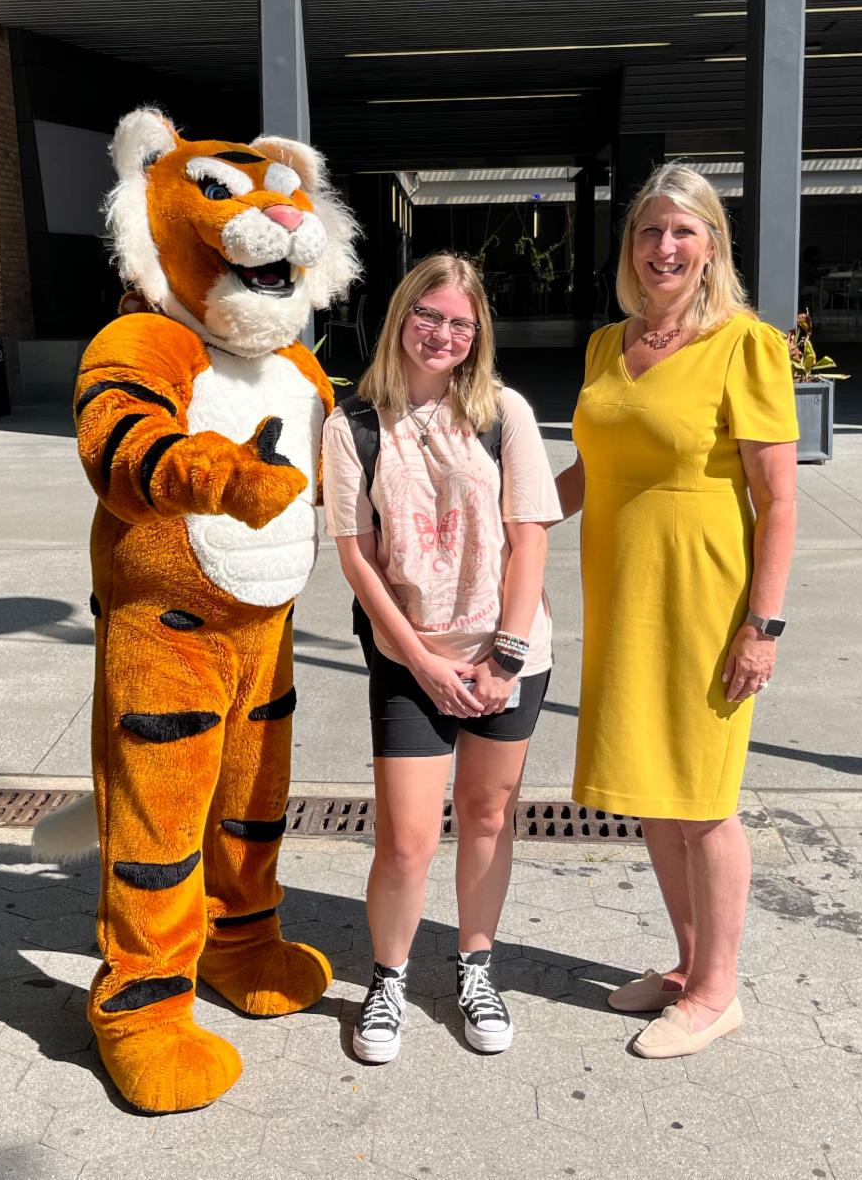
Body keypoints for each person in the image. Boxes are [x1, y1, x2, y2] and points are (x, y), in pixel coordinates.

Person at [555, 163, 798, 1059]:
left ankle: (719, 992)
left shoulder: (745, 345)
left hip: (703, 598)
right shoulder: (606, 346)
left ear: (711, 247)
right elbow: (588, 473)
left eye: (683, 231)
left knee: (702, 801)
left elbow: (778, 500)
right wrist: (509, 523)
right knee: (654, 796)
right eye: (651, 231)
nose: (665, 247)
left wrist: (761, 627)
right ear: (632, 247)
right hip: (623, 598)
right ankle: (690, 967)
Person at [322, 252, 561, 1063]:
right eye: (430, 316)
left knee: (490, 818)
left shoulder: (504, 414)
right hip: (409, 658)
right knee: (405, 840)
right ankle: (387, 978)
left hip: (509, 656)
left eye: (462, 322)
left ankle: (475, 965)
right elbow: (356, 556)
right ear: (401, 318)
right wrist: (420, 661)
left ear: (478, 334)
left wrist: (505, 656)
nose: (444, 334)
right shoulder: (351, 423)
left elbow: (530, 540)